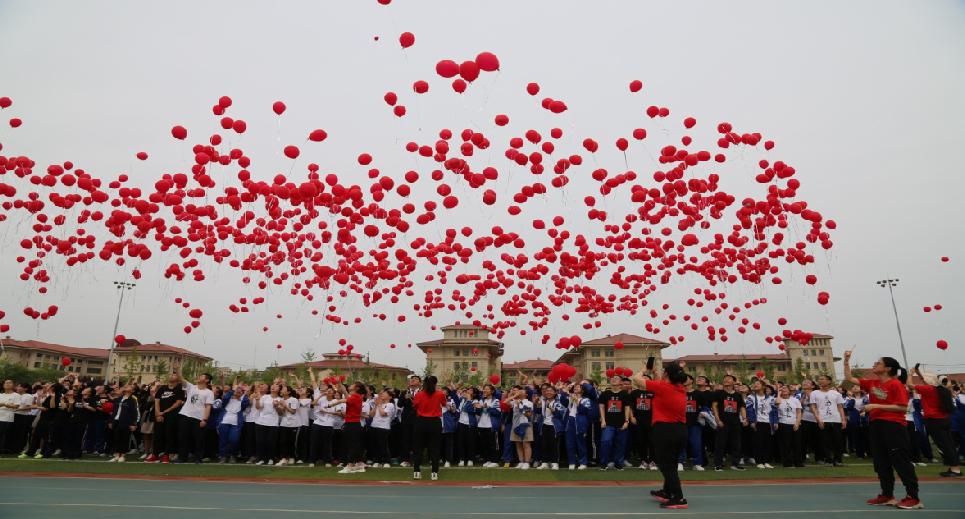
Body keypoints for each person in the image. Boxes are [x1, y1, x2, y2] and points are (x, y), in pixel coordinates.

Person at [843, 351, 921, 509]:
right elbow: (849, 378)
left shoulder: (896, 384)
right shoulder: (872, 383)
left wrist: (875, 405)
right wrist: (846, 360)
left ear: (887, 368)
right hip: (876, 425)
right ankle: (887, 495)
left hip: (893, 426)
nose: (874, 364)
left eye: (878, 363)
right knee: (881, 461)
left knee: (900, 461)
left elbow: (902, 407)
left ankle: (913, 497)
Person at [633, 362, 690, 510]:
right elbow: (661, 384)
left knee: (667, 466)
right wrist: (656, 373)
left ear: (666, 374)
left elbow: (636, 379)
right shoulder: (680, 388)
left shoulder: (663, 387)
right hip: (680, 430)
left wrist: (644, 370)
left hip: (665, 430)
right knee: (671, 463)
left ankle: (679, 498)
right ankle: (667, 492)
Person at [912, 366, 961, 477]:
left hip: (935, 421)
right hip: (944, 420)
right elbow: (926, 381)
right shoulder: (942, 390)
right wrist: (918, 373)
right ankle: (955, 467)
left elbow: (910, 385)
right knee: (949, 444)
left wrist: (910, 374)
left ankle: (955, 469)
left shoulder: (930, 390)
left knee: (945, 446)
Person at [411, 375, 446, 480]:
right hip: (434, 422)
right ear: (435, 383)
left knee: (418, 448)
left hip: (421, 422)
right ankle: (434, 472)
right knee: (435, 448)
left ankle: (416, 471)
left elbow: (415, 406)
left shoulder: (419, 394)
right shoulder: (440, 394)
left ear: (424, 383)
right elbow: (444, 404)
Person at [176, 370, 214, 464]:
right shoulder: (192, 387)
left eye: (202, 376)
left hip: (198, 418)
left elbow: (208, 407)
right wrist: (177, 370)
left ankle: (198, 458)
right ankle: (182, 458)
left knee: (199, 439)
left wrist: (205, 419)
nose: (199, 377)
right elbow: (181, 379)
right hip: (185, 415)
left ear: (207, 380)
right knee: (183, 438)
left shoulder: (209, 392)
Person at [147, 373, 184, 463]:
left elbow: (178, 403)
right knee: (157, 435)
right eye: (170, 375)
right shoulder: (162, 388)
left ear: (178, 379)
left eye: (174, 375)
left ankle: (166, 455)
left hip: (172, 416)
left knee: (169, 435)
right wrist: (158, 414)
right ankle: (155, 455)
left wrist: (164, 412)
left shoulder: (179, 389)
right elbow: (157, 401)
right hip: (159, 415)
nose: (171, 376)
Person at [712, 375, 746, 471]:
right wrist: (717, 419)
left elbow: (742, 407)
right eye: (725, 378)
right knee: (720, 444)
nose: (726, 379)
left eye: (729, 378)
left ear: (734, 382)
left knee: (736, 444)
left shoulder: (738, 395)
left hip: (735, 423)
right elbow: (714, 406)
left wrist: (744, 418)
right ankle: (718, 464)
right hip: (723, 422)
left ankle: (735, 464)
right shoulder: (718, 393)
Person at [811, 374, 846, 466]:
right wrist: (818, 419)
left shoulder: (836, 393)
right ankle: (828, 460)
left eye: (823, 379)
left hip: (836, 419)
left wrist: (843, 419)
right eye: (819, 379)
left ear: (829, 381)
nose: (820, 380)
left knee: (837, 441)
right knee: (824, 441)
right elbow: (813, 407)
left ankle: (838, 460)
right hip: (823, 419)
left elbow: (840, 407)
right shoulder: (814, 393)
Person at [598, 376, 631, 470]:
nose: (613, 379)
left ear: (621, 382)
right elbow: (601, 407)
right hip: (608, 423)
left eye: (616, 378)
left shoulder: (625, 394)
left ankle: (618, 463)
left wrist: (626, 421)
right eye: (612, 378)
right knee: (606, 441)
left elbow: (627, 408)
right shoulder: (605, 393)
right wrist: (603, 420)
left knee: (620, 444)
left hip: (621, 423)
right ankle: (604, 463)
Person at [747, 379, 776, 469]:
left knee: (768, 442)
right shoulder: (751, 397)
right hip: (757, 422)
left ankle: (766, 461)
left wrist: (775, 422)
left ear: (763, 387)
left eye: (758, 384)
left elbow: (774, 411)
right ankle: (759, 462)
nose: (755, 385)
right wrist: (752, 421)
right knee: (758, 442)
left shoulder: (770, 398)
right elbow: (749, 410)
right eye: (754, 384)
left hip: (768, 422)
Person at [629, 376, 656, 470]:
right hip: (638, 421)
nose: (644, 380)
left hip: (652, 421)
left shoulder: (653, 392)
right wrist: (631, 417)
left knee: (652, 441)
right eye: (642, 378)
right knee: (641, 441)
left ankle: (653, 462)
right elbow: (630, 406)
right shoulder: (634, 393)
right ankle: (643, 461)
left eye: (646, 378)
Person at [107, 384, 139, 463]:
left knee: (124, 439)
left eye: (129, 387)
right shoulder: (119, 398)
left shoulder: (132, 400)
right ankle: (117, 455)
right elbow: (114, 410)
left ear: (132, 391)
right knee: (116, 438)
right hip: (116, 421)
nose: (126, 387)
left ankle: (122, 455)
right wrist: (111, 421)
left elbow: (134, 413)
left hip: (126, 422)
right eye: (126, 387)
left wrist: (133, 424)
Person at [775, 385, 803, 467]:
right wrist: (778, 393)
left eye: (785, 388)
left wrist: (797, 423)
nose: (783, 390)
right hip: (783, 423)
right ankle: (787, 462)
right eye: (782, 388)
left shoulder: (795, 400)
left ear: (789, 391)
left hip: (794, 423)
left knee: (797, 444)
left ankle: (798, 462)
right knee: (785, 444)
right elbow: (776, 404)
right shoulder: (778, 399)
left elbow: (799, 412)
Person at [0, 380, 19, 453]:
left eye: (9, 383)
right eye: (6, 383)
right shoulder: (1, 395)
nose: (7, 384)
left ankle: (3, 449)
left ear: (13, 385)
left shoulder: (16, 395)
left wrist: (5, 404)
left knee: (4, 435)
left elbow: (16, 406)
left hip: (7, 417)